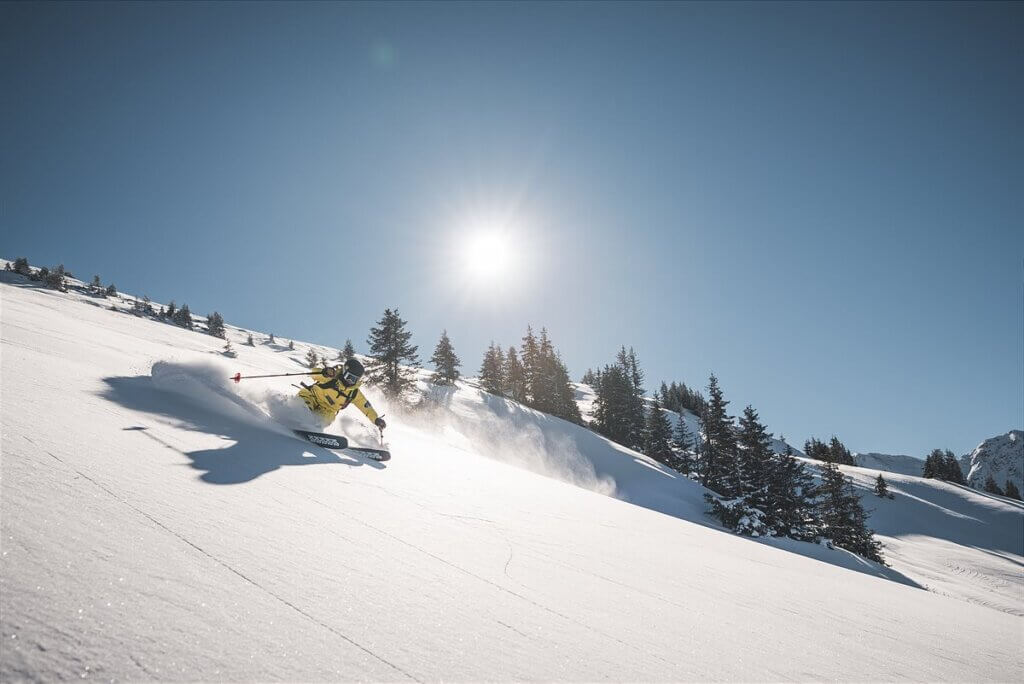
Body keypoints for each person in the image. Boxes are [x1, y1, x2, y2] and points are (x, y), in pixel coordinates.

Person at [297, 358, 386, 430]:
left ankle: (312, 430)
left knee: (324, 420)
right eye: (349, 377)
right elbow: (313, 374)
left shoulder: (353, 392)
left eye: (354, 379)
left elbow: (366, 407)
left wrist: (376, 419)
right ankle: (295, 419)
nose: (350, 381)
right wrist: (324, 373)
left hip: (327, 411)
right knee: (304, 406)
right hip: (312, 397)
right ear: (344, 372)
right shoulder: (332, 377)